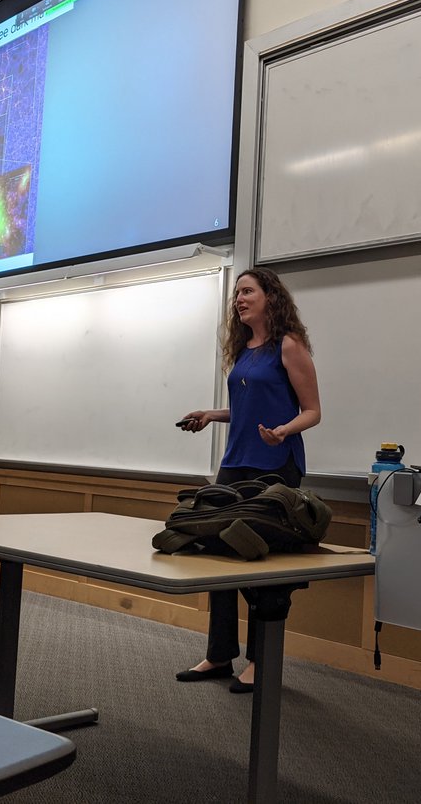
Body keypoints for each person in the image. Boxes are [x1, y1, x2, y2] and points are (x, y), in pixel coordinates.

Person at [175, 267, 321, 693]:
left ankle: (260, 659)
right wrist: (211, 414)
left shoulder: (288, 347)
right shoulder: (244, 351)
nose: (239, 299)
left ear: (270, 298)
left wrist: (284, 431)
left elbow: (313, 411)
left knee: (261, 563)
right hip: (236, 462)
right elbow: (246, 409)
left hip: (276, 465)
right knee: (219, 555)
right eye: (236, 293)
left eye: (247, 291)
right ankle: (220, 654)